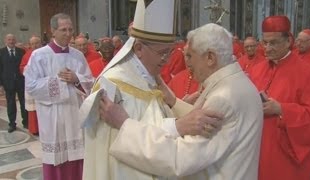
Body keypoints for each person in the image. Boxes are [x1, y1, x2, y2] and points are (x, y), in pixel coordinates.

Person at [98, 22, 263, 180]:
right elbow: (202, 119)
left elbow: (179, 158)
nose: (187, 62)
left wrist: (124, 125)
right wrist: (173, 101)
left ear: (210, 58)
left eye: (190, 56)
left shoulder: (223, 97)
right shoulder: (236, 83)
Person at [82, 1, 221, 179]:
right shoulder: (115, 85)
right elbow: (120, 139)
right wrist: (177, 126)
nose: (167, 60)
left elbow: (143, 123)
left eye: (170, 52)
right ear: (138, 48)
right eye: (163, 52)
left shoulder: (148, 77)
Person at [23, 13, 94, 180]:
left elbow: (90, 82)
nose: (68, 33)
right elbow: (31, 86)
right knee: (56, 160)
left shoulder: (78, 55)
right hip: (52, 116)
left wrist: (77, 79)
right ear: (52, 31)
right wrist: (60, 83)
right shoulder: (39, 55)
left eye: (70, 29)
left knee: (77, 157)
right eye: (63, 29)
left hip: (74, 114)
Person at [249, 15, 310, 180]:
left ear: (288, 40)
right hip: (256, 149)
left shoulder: (307, 73)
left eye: (273, 43)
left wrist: (282, 109)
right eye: (264, 42)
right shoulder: (256, 69)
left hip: (287, 156)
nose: (267, 48)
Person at [0, 34, 27, 133]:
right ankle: (12, 124)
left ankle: (26, 122)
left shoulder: (21, 51)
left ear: (15, 41)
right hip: (8, 83)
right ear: (5, 41)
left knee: (23, 103)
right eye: (9, 39)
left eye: (13, 39)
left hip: (21, 82)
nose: (11, 41)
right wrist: (1, 85)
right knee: (11, 103)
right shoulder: (1, 52)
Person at [19, 35, 42, 135]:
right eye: (33, 43)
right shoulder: (27, 55)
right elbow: (22, 67)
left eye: (36, 43)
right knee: (33, 108)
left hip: (43, 84)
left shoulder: (45, 52)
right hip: (32, 84)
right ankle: (35, 129)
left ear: (40, 43)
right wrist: (31, 71)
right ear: (30, 45)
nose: (35, 45)